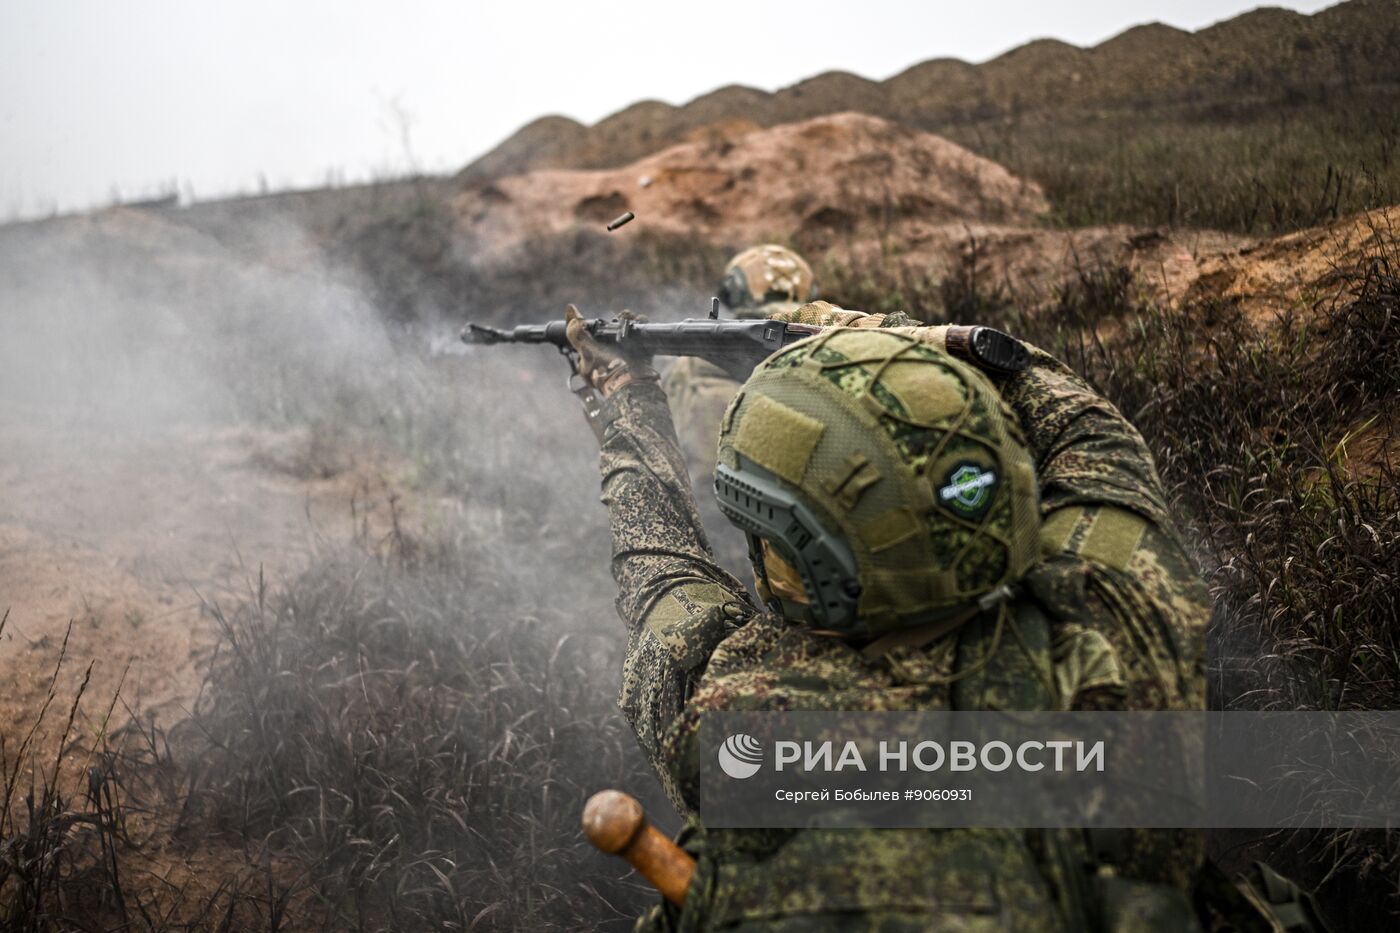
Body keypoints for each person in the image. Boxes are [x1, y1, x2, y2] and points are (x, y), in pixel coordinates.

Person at [561, 302, 1309, 930]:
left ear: (802, 556)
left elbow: (658, 566)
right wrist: (877, 336)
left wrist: (626, 398)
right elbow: (1085, 426)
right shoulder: (1114, 609)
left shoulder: (725, 721)